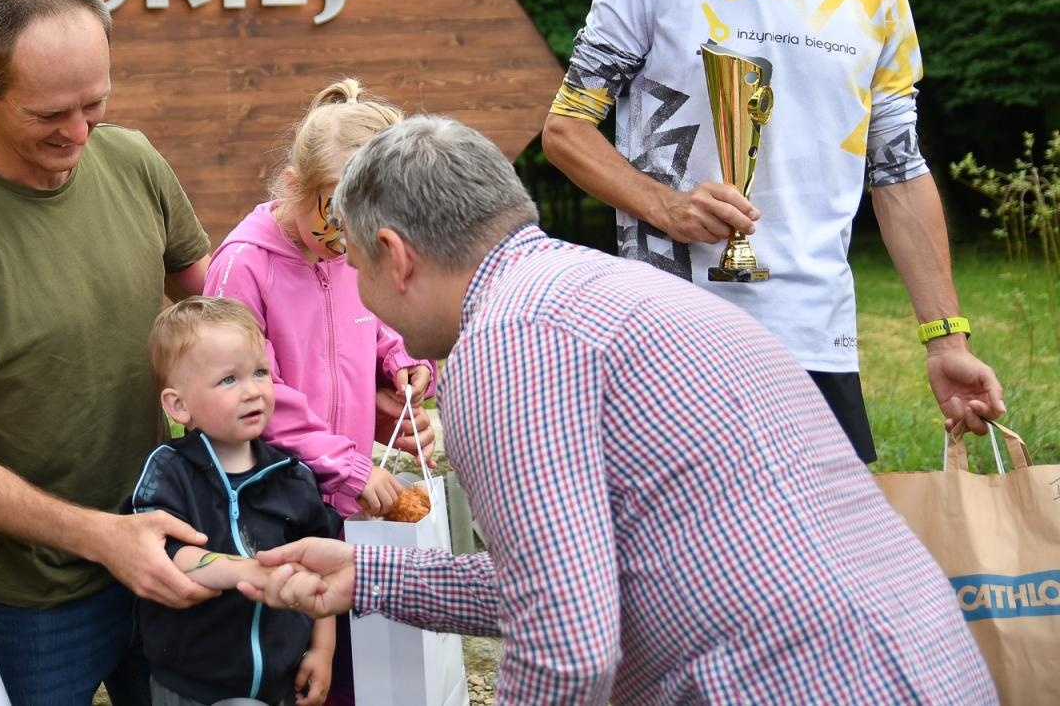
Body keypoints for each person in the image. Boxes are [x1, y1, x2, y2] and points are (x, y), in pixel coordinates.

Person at [242, 116, 996, 704]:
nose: (364, 298)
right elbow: (570, 581)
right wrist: (370, 577)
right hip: (920, 657)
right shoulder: (607, 290)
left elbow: (565, 646)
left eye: (359, 271)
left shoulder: (505, 345)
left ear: (396, 253)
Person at [541, 0, 1002, 462]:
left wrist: (948, 339)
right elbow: (567, 129)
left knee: (818, 562)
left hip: (817, 337)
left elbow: (898, 175)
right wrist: (665, 208)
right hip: (670, 332)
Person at [0, 0, 214, 706]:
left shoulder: (133, 160)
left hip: (167, 548)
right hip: (33, 601)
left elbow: (222, 318)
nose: (76, 134)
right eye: (48, 115)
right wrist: (102, 537)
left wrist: (369, 368)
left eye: (93, 104)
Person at [206, 79, 434, 520]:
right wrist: (345, 465)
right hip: (264, 509)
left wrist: (403, 365)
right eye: (337, 213)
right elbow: (243, 395)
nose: (353, 233)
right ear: (294, 186)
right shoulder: (243, 267)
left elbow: (382, 323)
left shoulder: (356, 253)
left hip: (348, 504)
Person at [127, 297, 341, 706]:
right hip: (190, 686)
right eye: (229, 380)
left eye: (260, 372)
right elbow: (169, 554)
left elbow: (322, 571)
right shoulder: (170, 471)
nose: (252, 392)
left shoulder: (292, 476)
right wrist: (252, 573)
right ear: (178, 405)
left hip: (282, 682)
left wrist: (322, 649)